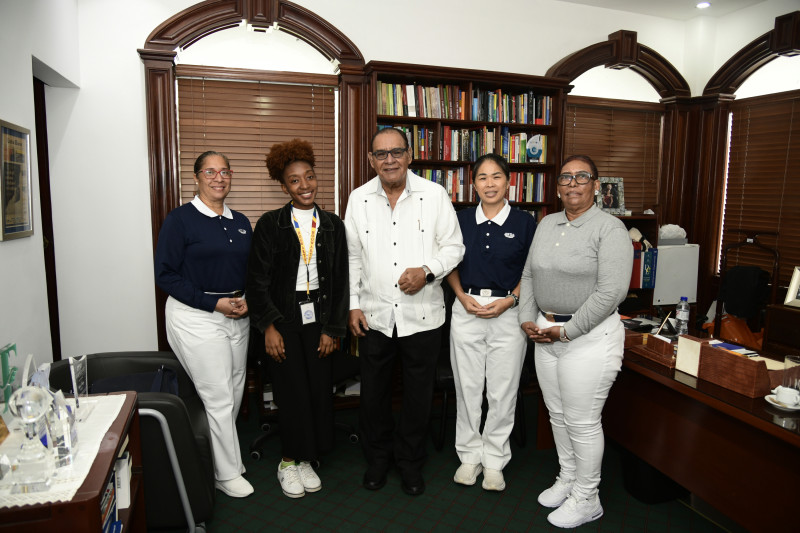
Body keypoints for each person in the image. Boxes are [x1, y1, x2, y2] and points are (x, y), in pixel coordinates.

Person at [345, 127, 465, 496]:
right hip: (374, 315)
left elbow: (454, 247)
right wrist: (352, 304)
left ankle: (411, 462)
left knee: (418, 396)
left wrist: (427, 271)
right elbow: (352, 258)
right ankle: (378, 459)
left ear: (409, 155)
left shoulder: (434, 194)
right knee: (374, 395)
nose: (389, 160)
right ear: (371, 160)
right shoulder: (358, 199)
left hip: (422, 315)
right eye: (381, 154)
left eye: (396, 152)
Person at [519, 154, 632, 528]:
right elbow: (530, 276)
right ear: (557, 188)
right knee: (557, 414)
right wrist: (526, 319)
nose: (572, 183)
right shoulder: (547, 223)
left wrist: (568, 331)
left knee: (582, 421)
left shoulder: (610, 229)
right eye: (565, 177)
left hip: (589, 339)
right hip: (545, 332)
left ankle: (587, 497)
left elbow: (611, 292)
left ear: (596, 186)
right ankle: (568, 478)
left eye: (582, 177)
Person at [246, 139, 348, 499]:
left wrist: (332, 328)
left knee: (318, 390)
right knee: (291, 392)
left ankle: (306, 457)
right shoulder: (270, 224)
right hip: (283, 318)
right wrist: (268, 327)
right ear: (283, 186)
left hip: (320, 316)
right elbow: (256, 282)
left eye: (309, 176)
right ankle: (288, 462)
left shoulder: (333, 225)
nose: (305, 185)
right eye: (294, 180)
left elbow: (340, 281)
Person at [154, 151, 254, 498]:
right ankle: (225, 474)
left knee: (236, 388)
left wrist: (247, 300)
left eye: (224, 171)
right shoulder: (180, 220)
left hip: (237, 314)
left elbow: (249, 270)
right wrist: (213, 303)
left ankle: (219, 457)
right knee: (218, 395)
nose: (218, 178)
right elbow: (165, 275)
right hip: (196, 316)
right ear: (196, 177)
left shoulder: (240, 220)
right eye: (210, 172)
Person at [446, 153, 536, 491]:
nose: (489, 183)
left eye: (496, 176)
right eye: (482, 177)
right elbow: (448, 262)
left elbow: (532, 271)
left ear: (508, 182)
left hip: (508, 311)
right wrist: (460, 295)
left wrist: (511, 300)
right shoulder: (460, 219)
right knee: (468, 388)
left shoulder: (525, 222)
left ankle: (495, 459)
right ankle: (469, 456)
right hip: (466, 307)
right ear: (473, 184)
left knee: (502, 390)